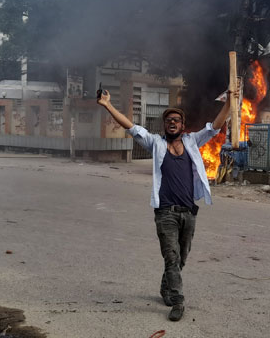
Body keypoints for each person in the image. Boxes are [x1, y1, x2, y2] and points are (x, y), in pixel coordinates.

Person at [97, 89, 232, 322]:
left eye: (176, 120)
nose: (172, 123)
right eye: (168, 120)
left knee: (181, 257)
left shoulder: (192, 141)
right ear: (164, 125)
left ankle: (165, 287)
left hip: (188, 212)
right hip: (165, 212)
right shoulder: (155, 143)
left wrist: (230, 103)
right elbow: (131, 127)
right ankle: (178, 301)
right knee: (171, 257)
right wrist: (108, 105)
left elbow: (215, 127)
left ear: (182, 124)